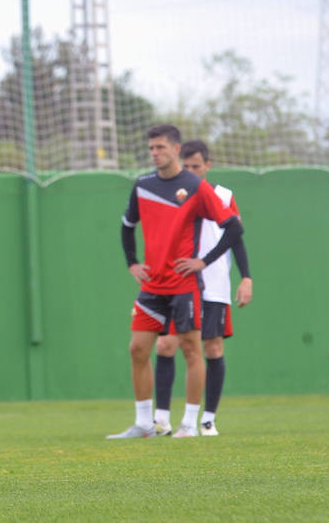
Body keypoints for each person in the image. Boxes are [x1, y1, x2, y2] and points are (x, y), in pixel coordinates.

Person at [108, 124, 243, 439]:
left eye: (161, 147)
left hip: (184, 284)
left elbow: (233, 227)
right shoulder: (142, 186)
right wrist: (132, 263)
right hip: (152, 285)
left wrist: (203, 262)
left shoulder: (196, 187)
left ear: (176, 150)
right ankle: (144, 424)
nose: (155, 153)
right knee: (137, 349)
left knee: (191, 350)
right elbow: (127, 226)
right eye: (152, 148)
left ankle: (189, 425)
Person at [153, 140, 253, 437]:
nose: (192, 171)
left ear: (208, 166)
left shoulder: (222, 196)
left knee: (212, 348)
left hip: (214, 285)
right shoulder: (174, 195)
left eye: (197, 166)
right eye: (188, 166)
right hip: (179, 285)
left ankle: (206, 420)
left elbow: (235, 235)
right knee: (166, 345)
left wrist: (246, 277)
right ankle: (161, 420)